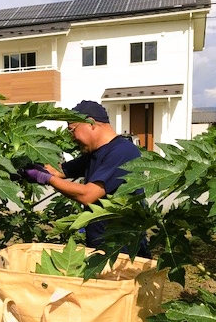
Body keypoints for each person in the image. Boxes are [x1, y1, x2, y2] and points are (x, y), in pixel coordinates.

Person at [20, 100, 151, 258]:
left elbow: (87, 195)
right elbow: (59, 170)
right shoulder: (94, 154)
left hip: (123, 250)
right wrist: (22, 171)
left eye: (72, 130)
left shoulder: (122, 152)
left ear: (90, 123)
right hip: (101, 246)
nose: (72, 138)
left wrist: (45, 178)